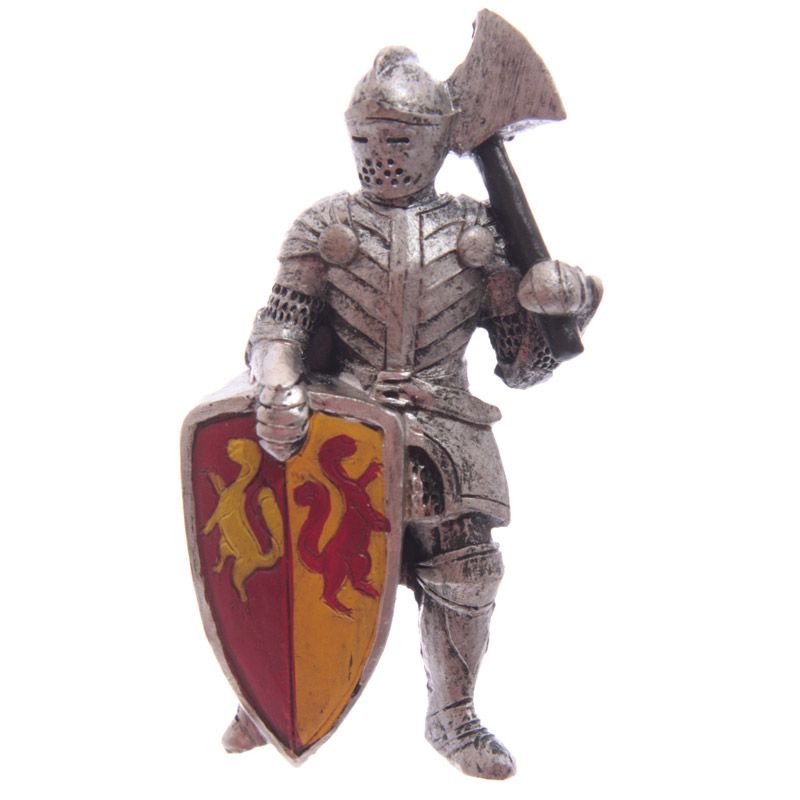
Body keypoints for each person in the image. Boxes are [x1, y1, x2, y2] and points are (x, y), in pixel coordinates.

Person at [225, 47, 601, 780]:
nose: (380, 154)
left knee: (467, 566)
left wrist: (567, 302)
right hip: (339, 429)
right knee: (291, 555)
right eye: (364, 138)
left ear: (438, 139)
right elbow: (280, 325)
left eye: (398, 139)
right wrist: (276, 383)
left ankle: (452, 713)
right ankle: (265, 692)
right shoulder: (324, 225)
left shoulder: (480, 233)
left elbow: (522, 366)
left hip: (445, 431)